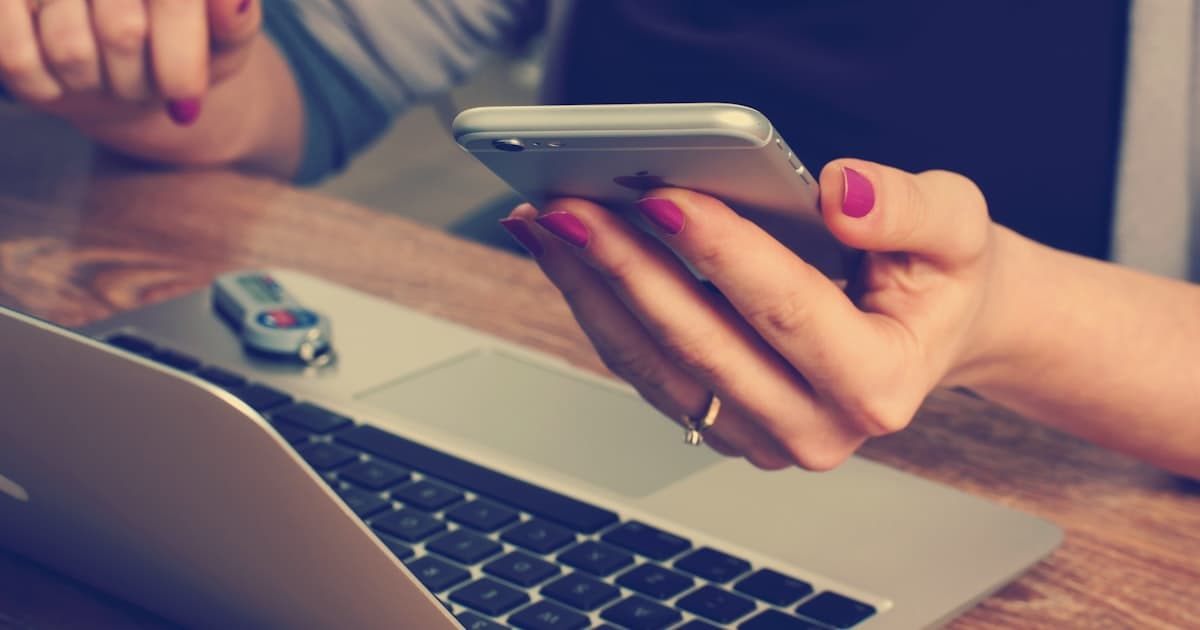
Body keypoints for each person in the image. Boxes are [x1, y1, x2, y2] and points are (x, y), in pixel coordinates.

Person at [1, 0, 1196, 478]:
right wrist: (151, 63)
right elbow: (304, 85)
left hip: (1063, 488)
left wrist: (1002, 316)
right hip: (563, 409)